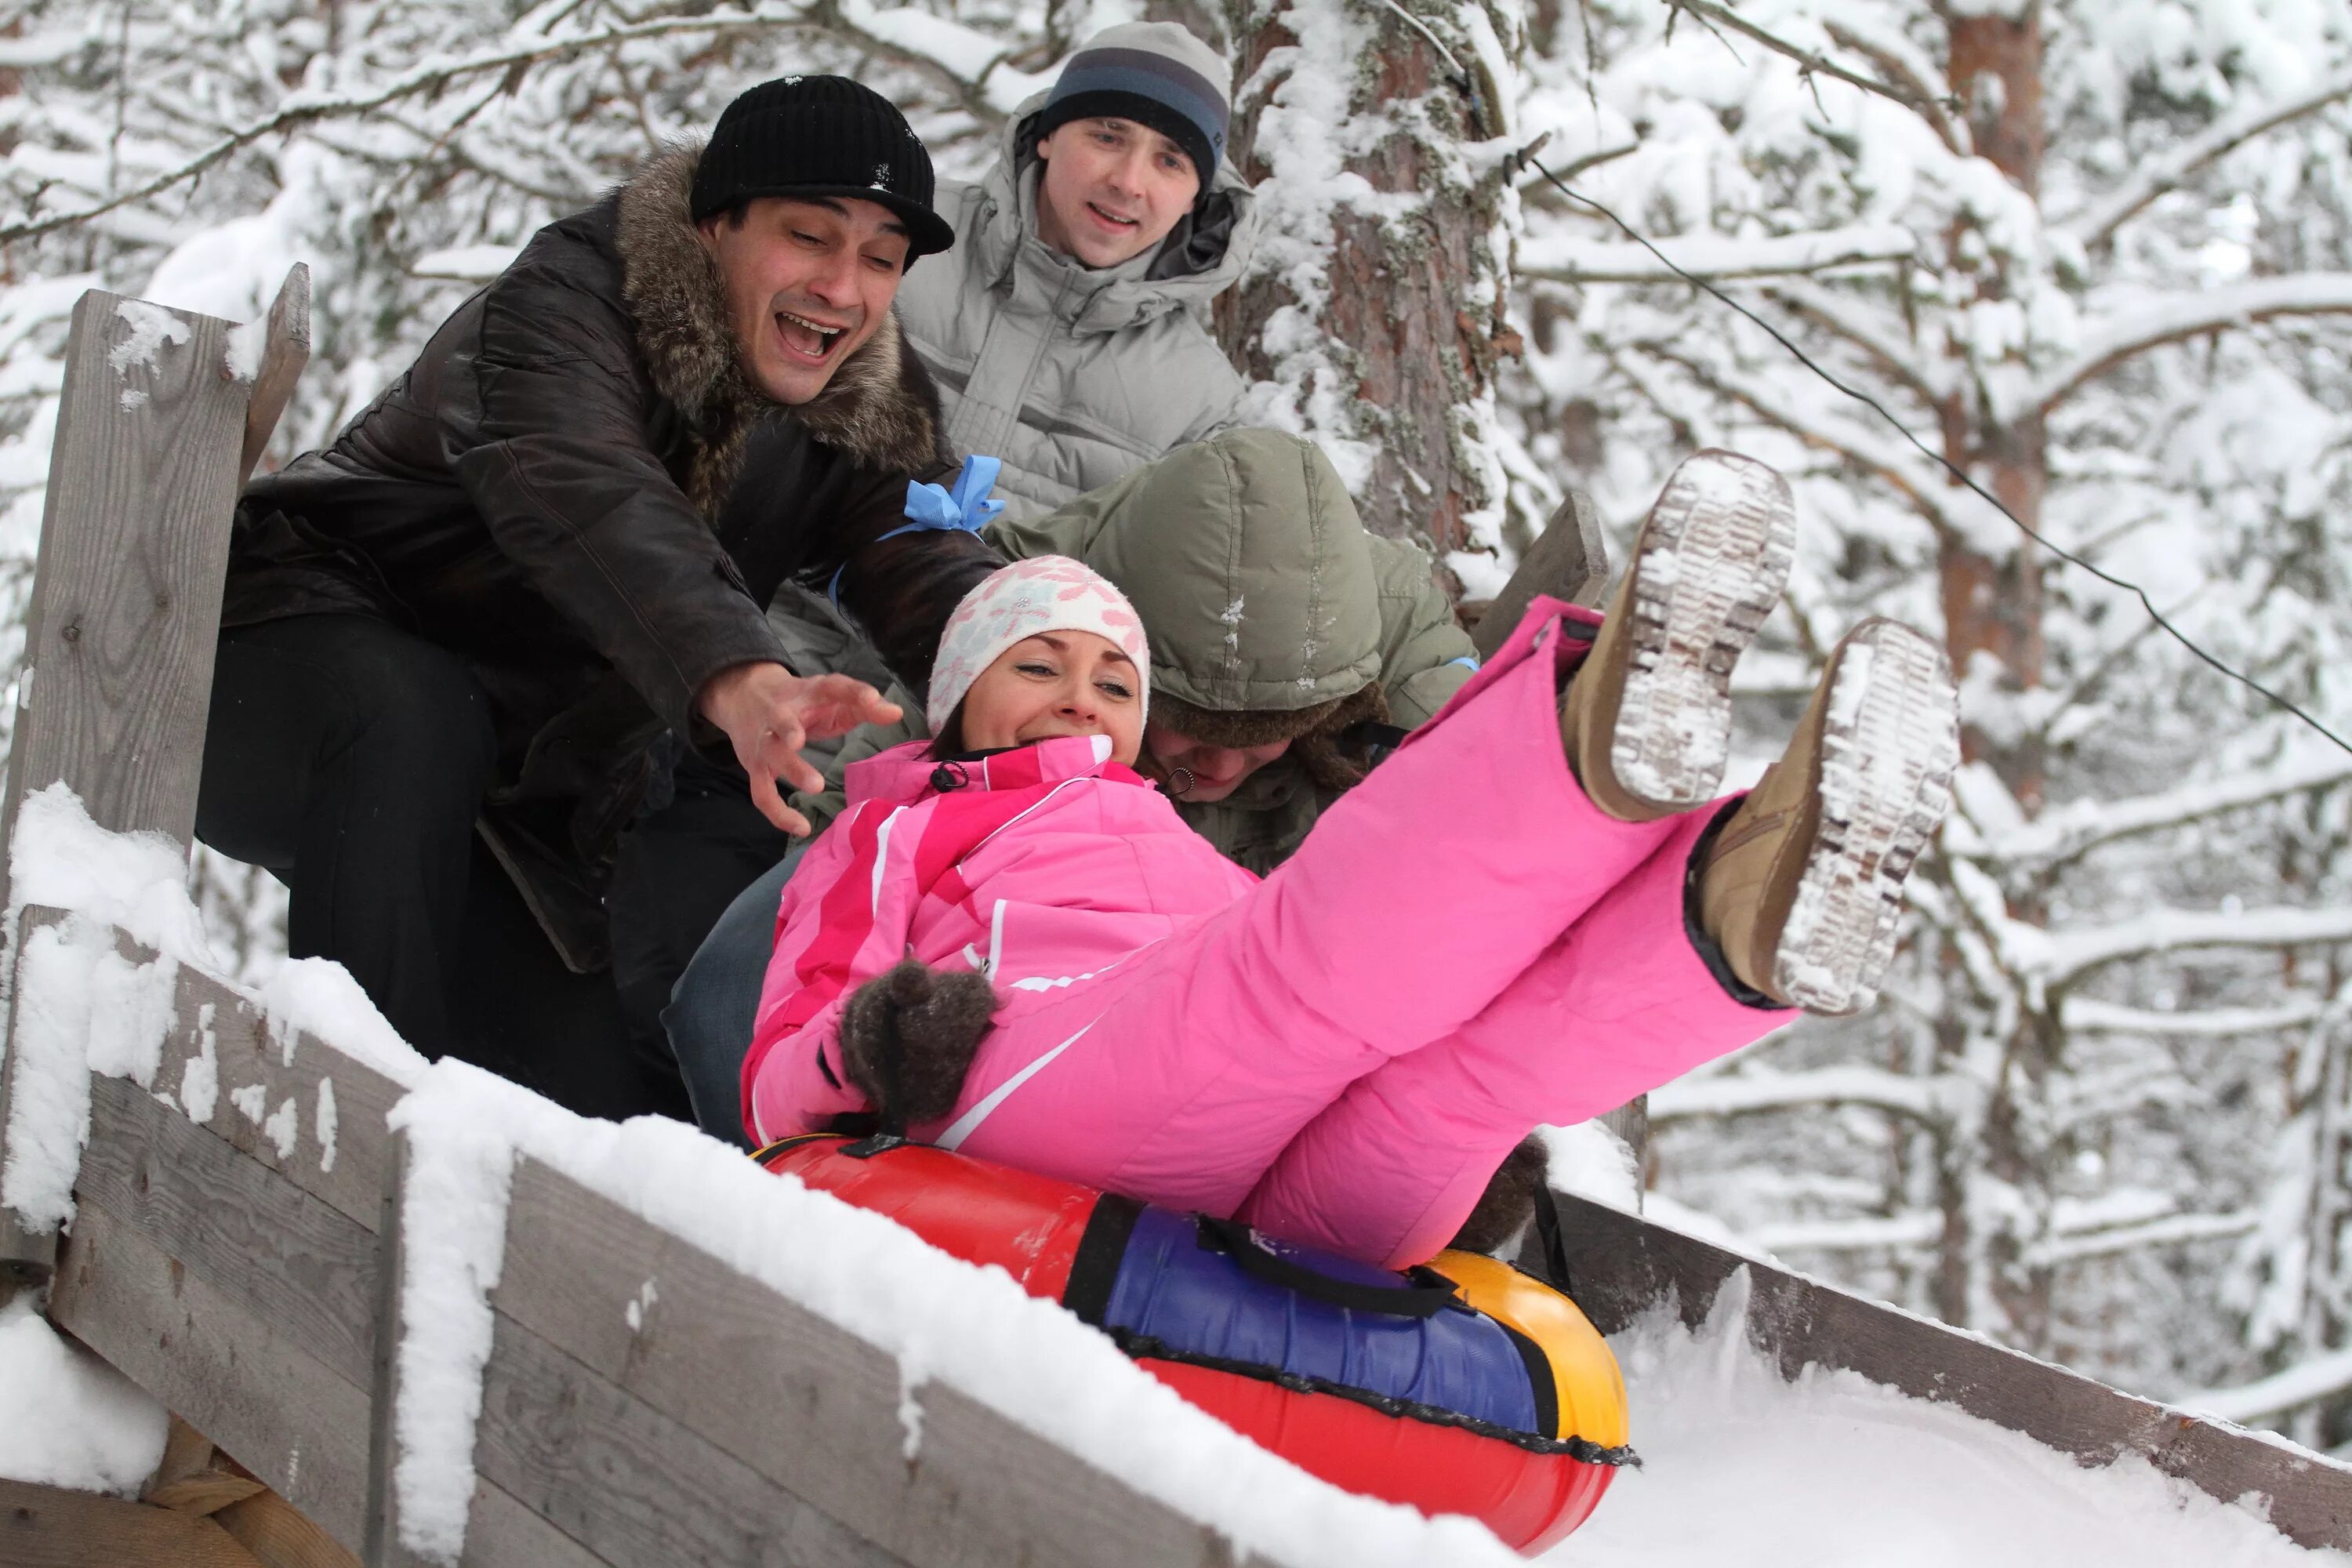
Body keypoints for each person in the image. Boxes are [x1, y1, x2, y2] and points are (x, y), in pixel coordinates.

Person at [739, 452, 1965, 1269]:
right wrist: (879, 1043)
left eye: (1116, 681)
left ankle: (1742, 912)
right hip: (1024, 1098)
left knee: (1460, 1079)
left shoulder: (1162, 826)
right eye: (1038, 668)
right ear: (955, 697)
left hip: (1244, 1165)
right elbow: (781, 1060)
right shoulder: (899, 821)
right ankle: (1581, 741)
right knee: (1292, 973)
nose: (1080, 698)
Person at [197, 76, 1002, 1118]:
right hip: (286, 658)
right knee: (410, 712)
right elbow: (584, 486)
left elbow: (920, 551)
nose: (843, 289)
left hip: (512, 795)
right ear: (716, 226)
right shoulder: (573, 301)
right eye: (810, 238)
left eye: (881, 261)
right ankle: (339, 1140)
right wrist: (737, 669)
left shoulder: (863, 406)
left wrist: (1061, 669)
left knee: (588, 1114)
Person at [662, 429, 1478, 1142]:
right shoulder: (1040, 611)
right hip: (1022, 995)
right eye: (1189, 729)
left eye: (1266, 744)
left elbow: (1445, 883)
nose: (1222, 769)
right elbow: (868, 812)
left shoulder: (1390, 656)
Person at [892, 21, 1258, 517]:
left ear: (1196, 196)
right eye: (1108, 137)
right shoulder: (903, 233)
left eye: (1170, 162)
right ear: (1047, 135)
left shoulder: (1200, 409)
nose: (1129, 182)